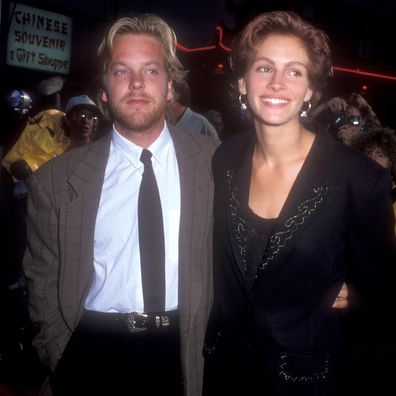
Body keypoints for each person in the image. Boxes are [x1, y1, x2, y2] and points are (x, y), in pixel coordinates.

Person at [203, 10, 396, 396]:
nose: (277, 83)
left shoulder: (359, 179)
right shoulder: (223, 158)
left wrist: (351, 297)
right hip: (225, 372)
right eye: (264, 68)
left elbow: (384, 291)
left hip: (305, 380)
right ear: (242, 81)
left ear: (311, 90)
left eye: (294, 71)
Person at [23, 14, 217, 396]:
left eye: (151, 70)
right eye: (121, 71)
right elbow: (41, 278)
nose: (138, 84)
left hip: (188, 349)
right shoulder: (54, 181)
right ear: (105, 91)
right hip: (91, 350)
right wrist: (60, 354)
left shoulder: (215, 163)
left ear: (170, 87)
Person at [309, 92, 382, 145]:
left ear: (363, 121)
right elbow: (304, 122)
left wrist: (348, 143)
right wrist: (324, 106)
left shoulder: (370, 144)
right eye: (346, 117)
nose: (348, 124)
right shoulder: (333, 128)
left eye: (353, 120)